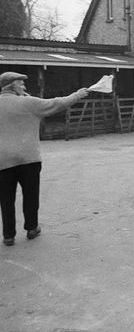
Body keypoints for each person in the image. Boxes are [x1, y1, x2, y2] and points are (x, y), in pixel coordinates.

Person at [0, 72, 89, 246]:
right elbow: (57, 103)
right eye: (21, 84)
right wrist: (78, 94)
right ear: (12, 86)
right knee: (31, 195)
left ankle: (8, 235)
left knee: (6, 199)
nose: (24, 87)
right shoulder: (28, 102)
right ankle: (32, 228)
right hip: (29, 159)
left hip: (2, 161)